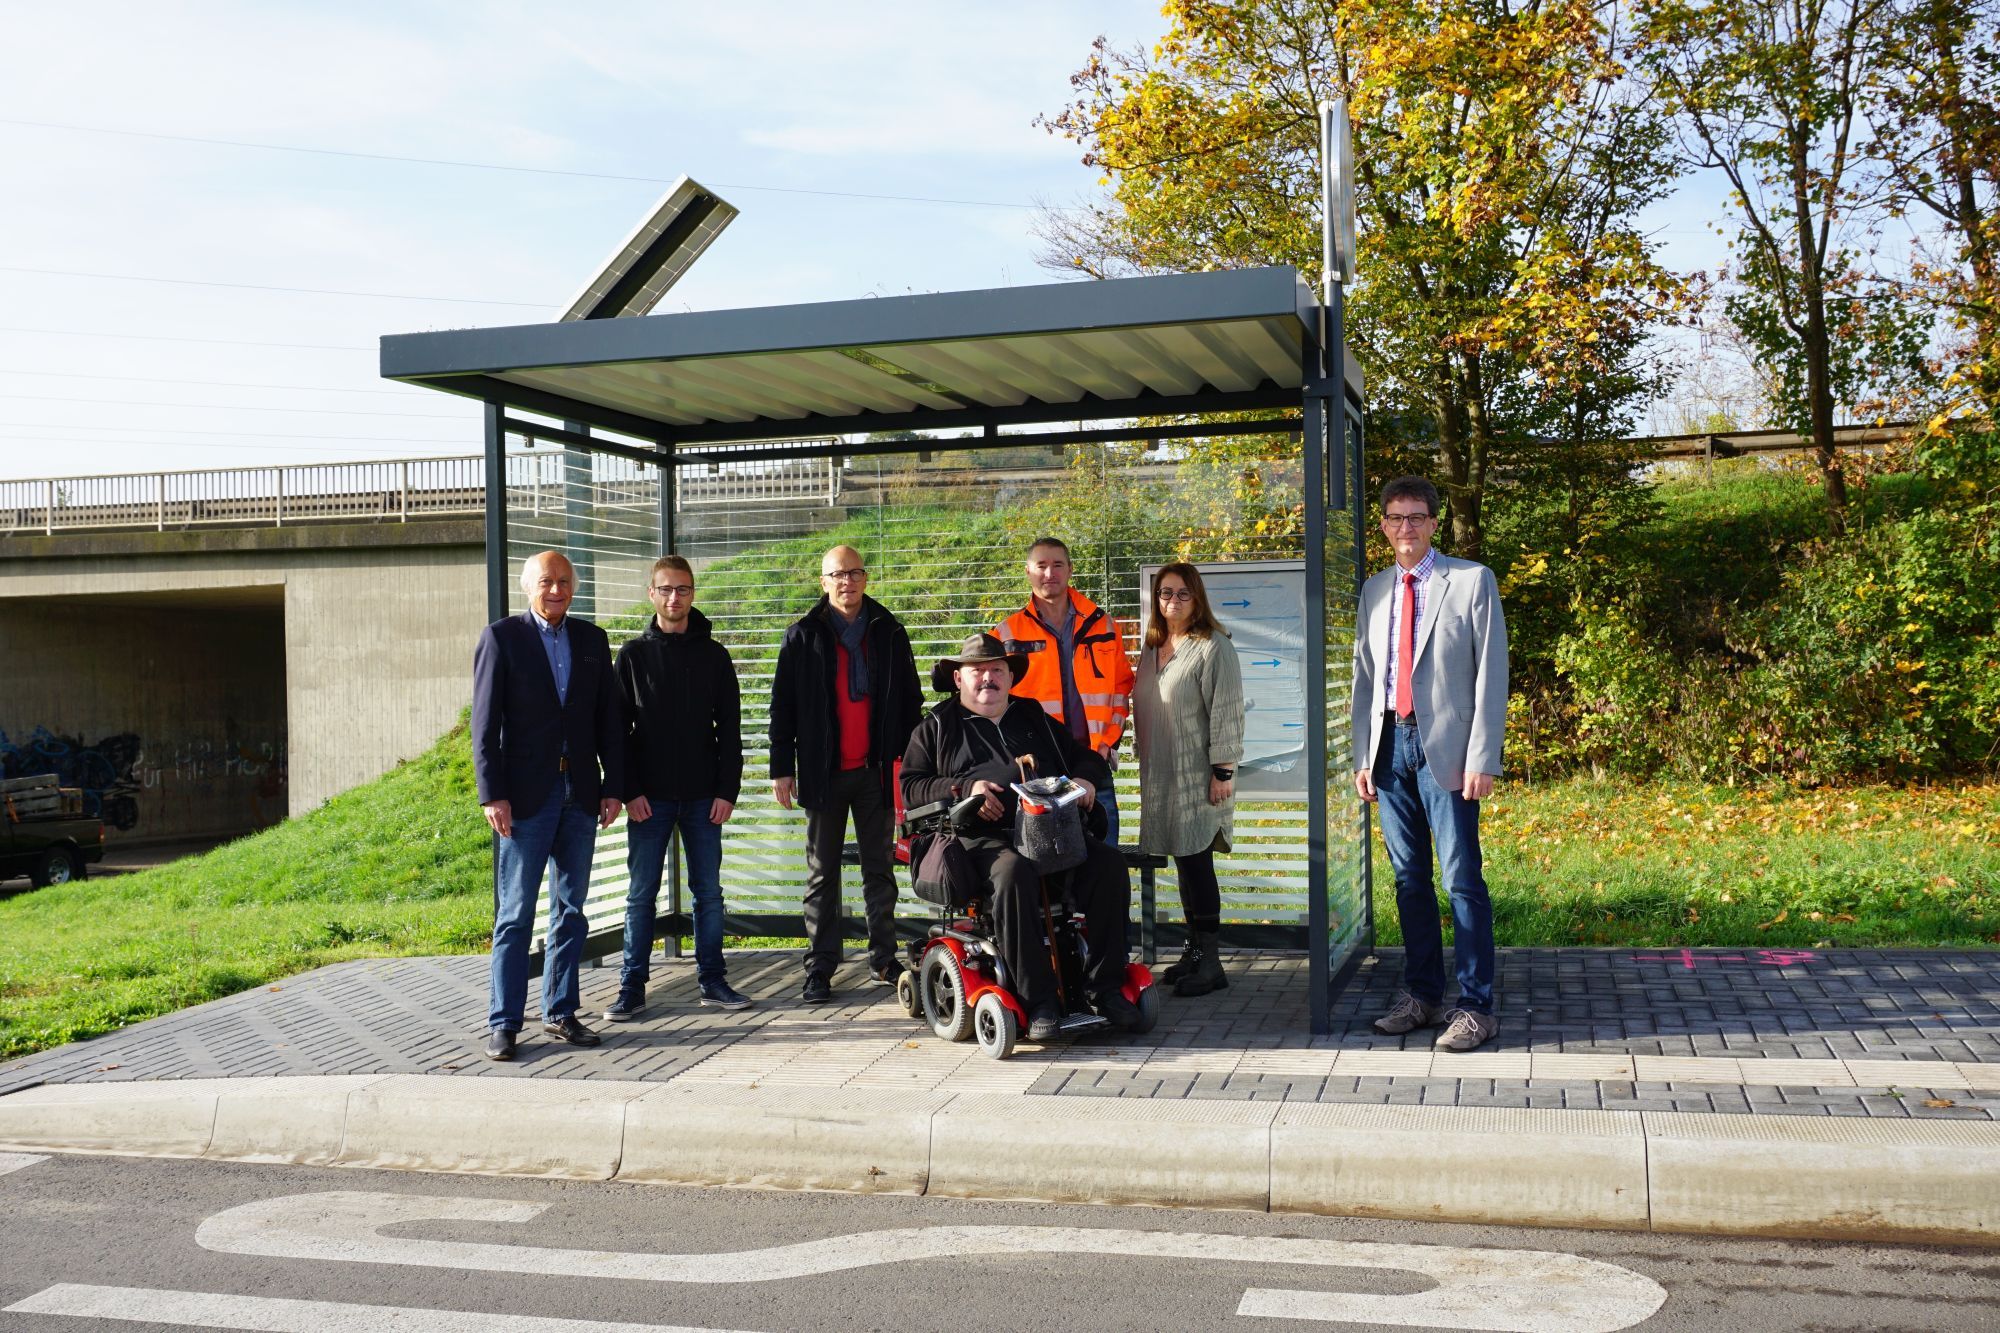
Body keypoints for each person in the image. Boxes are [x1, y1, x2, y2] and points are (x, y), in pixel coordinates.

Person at [900, 633, 1139, 1042]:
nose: (987, 679)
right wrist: (965, 790)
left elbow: (1081, 754)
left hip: (1049, 832)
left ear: (1010, 676)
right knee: (1014, 872)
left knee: (1108, 865)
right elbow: (913, 787)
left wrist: (1084, 778)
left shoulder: (1033, 717)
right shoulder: (936, 727)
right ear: (958, 678)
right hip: (979, 839)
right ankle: (1039, 1000)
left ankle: (1106, 986)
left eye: (996, 670)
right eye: (977, 671)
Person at [1350, 477, 1509, 1053]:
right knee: (1409, 880)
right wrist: (1362, 754)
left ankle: (1475, 1007)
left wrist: (1483, 755)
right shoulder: (1374, 590)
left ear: (1434, 523)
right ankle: (1421, 996)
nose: (1405, 528)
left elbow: (1492, 673)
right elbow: (1365, 677)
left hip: (1448, 750)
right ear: (1385, 526)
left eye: (1416, 517)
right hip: (1390, 749)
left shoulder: (1469, 582)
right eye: (1395, 518)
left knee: (1462, 879)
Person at [472, 550, 624, 1061]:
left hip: (579, 795)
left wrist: (612, 786)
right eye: (546, 582)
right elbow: (485, 724)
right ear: (527, 587)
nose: (555, 589)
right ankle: (505, 1022)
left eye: (563, 581)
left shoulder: (591, 640)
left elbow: (609, 721)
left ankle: (560, 1011)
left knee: (570, 910)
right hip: (524, 800)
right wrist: (492, 793)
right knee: (515, 915)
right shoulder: (502, 638)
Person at [769, 544, 921, 1004]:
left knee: (880, 871)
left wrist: (912, 768)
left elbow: (911, 702)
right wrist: (782, 768)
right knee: (822, 874)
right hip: (822, 774)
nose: (846, 582)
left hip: (876, 774)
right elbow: (783, 707)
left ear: (866, 578)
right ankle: (820, 966)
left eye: (854, 573)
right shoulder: (803, 636)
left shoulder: (889, 632)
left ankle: (883, 958)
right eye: (837, 574)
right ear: (824, 582)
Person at [606, 555, 748, 1022]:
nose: (674, 598)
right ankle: (632, 986)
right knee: (640, 894)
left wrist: (727, 790)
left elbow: (730, 729)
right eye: (665, 589)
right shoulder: (632, 657)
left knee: (708, 893)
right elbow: (615, 732)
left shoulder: (715, 656)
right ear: (652, 594)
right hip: (649, 799)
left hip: (705, 797)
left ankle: (712, 980)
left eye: (682, 590)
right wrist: (628, 791)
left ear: (692, 593)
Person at [1133, 562, 1245, 999]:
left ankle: (1212, 963)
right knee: (1182, 862)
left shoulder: (1214, 647)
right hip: (1161, 775)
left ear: (1197, 598)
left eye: (1182, 594)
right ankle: (1194, 952)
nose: (1172, 602)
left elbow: (1227, 711)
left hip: (1199, 774)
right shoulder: (1153, 646)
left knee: (1198, 864)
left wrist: (1222, 771)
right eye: (1165, 593)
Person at [996, 537, 1137, 844]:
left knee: (1103, 860)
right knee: (1048, 868)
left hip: (1092, 761)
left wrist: (1105, 745)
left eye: (1057, 565)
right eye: (1041, 566)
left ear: (1070, 570)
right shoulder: (1007, 634)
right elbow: (997, 704)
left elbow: (1120, 689)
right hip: (1040, 770)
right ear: (1028, 572)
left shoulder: (1102, 625)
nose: (1050, 573)